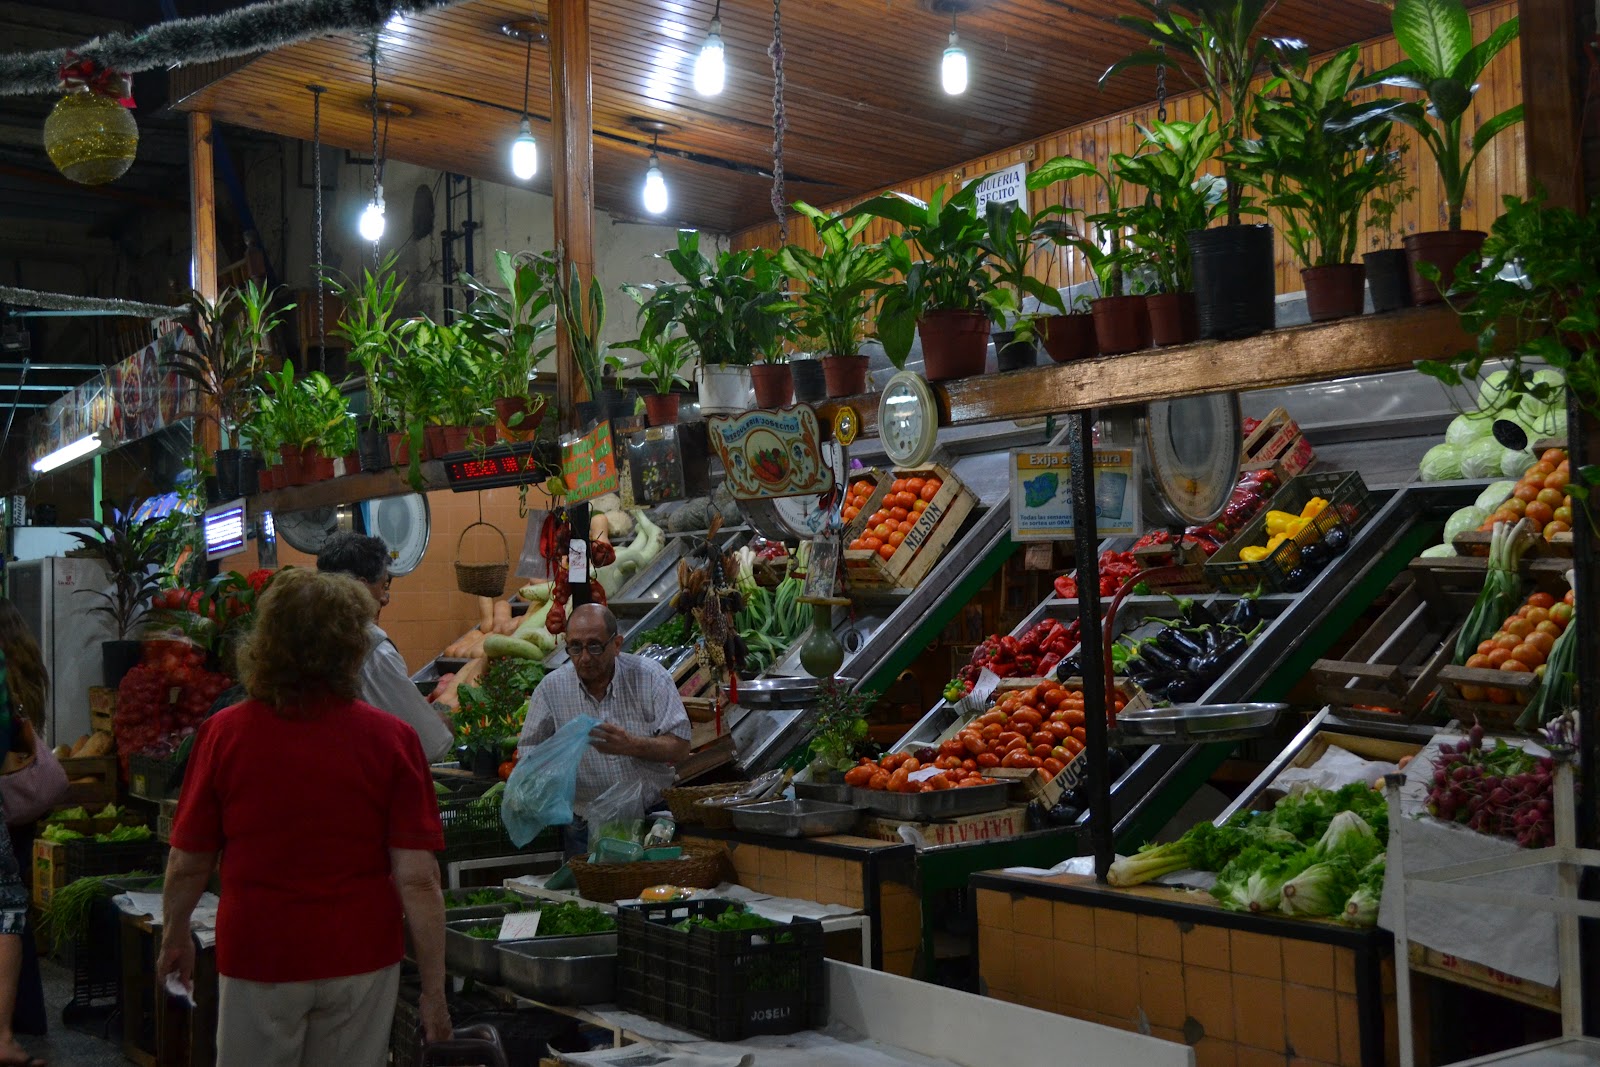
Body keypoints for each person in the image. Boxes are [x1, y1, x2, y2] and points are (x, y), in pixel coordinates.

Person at [157, 569, 451, 1066]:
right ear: (352, 646)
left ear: (266, 641)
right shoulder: (392, 740)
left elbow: (189, 862)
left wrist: (174, 935)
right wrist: (435, 993)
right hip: (361, 958)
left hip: (260, 955)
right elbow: (419, 880)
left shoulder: (224, 734)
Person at [516, 603, 691, 857]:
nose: (585, 657)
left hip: (651, 820)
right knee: (587, 895)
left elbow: (681, 745)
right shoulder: (551, 689)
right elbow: (529, 756)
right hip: (584, 825)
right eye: (575, 647)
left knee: (650, 893)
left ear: (617, 644)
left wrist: (631, 745)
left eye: (595, 646)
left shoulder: (650, 677)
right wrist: (552, 773)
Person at [316, 531, 454, 761]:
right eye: (383, 586)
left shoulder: (301, 639)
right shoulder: (372, 651)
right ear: (359, 588)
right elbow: (428, 744)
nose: (385, 598)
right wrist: (441, 725)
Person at [0, 602, 48, 1040]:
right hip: (24, 805)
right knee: (18, 908)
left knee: (6, 910)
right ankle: (28, 1013)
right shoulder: (30, 674)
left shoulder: (4, 682)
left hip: (4, 798)